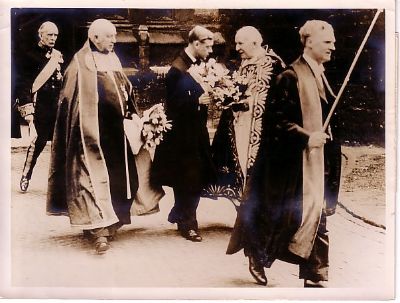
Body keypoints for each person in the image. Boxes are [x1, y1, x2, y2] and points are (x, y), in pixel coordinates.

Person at [226, 20, 341, 287]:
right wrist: (307, 137)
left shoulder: (320, 75)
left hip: (315, 162)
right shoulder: (289, 77)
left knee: (316, 214)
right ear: (309, 41)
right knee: (283, 219)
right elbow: (277, 123)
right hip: (289, 164)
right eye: (328, 42)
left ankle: (315, 275)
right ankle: (256, 253)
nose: (333, 46)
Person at [46, 19, 161, 254]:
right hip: (91, 138)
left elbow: (124, 92)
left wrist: (135, 116)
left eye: (115, 35)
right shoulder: (79, 64)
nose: (114, 40)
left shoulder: (112, 59)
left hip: (117, 134)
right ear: (95, 38)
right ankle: (98, 230)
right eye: (109, 36)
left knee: (119, 179)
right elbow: (71, 104)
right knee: (91, 182)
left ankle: (112, 222)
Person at [203, 26, 285, 205]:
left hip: (262, 129)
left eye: (241, 43)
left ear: (255, 43)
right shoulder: (244, 63)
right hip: (241, 126)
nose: (237, 48)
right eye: (236, 43)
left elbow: (279, 100)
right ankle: (245, 208)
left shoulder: (273, 65)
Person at [151, 26, 216, 242]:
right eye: (207, 47)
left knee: (194, 178)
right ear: (195, 44)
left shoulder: (199, 65)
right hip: (181, 136)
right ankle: (188, 224)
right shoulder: (176, 69)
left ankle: (181, 215)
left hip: (195, 133)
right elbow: (172, 105)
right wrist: (196, 101)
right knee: (187, 179)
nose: (210, 51)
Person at [16, 21, 63, 192]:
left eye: (55, 35)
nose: (53, 38)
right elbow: (23, 84)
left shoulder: (57, 55)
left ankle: (58, 184)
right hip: (40, 106)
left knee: (61, 145)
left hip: (56, 106)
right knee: (38, 143)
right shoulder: (29, 56)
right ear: (40, 35)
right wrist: (28, 110)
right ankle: (26, 175)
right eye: (49, 34)